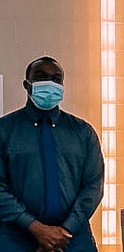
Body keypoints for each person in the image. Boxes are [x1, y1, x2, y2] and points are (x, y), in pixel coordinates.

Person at [0, 56, 104, 251]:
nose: (50, 83)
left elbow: (93, 186)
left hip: (72, 238)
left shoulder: (82, 132)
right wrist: (35, 227)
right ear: (27, 85)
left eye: (56, 79)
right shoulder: (4, 130)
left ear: (62, 87)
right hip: (16, 237)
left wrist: (64, 231)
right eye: (41, 77)